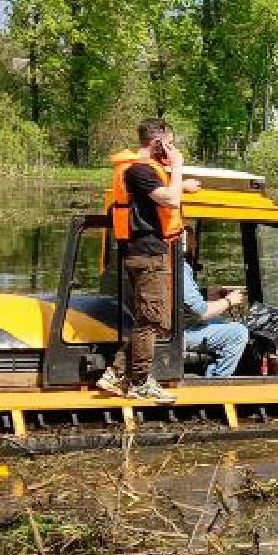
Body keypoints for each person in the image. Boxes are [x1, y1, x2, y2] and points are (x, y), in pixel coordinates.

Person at [96, 118, 182, 402]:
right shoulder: (140, 170)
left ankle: (117, 373)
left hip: (142, 253)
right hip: (147, 255)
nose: (172, 148)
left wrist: (184, 184)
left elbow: (156, 198)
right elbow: (170, 200)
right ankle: (140, 382)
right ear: (157, 142)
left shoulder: (140, 171)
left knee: (150, 317)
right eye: (169, 143)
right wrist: (178, 167)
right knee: (151, 319)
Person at [177, 252, 251, 377]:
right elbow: (201, 312)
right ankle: (216, 381)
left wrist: (208, 293)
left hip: (175, 325)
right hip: (178, 333)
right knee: (238, 333)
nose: (194, 242)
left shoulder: (169, 262)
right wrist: (229, 301)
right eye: (191, 234)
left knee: (220, 321)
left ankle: (209, 371)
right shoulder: (179, 266)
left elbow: (183, 300)